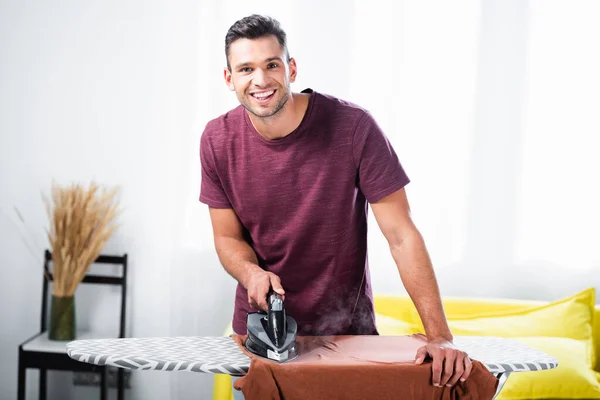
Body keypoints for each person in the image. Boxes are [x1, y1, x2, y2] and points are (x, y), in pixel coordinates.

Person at [199, 14, 472, 395]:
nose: (260, 80)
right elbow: (226, 238)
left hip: (347, 335)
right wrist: (251, 274)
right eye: (246, 68)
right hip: (263, 337)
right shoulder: (216, 139)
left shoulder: (353, 127)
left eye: (271, 65)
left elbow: (401, 235)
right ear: (229, 79)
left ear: (291, 68)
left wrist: (440, 335)